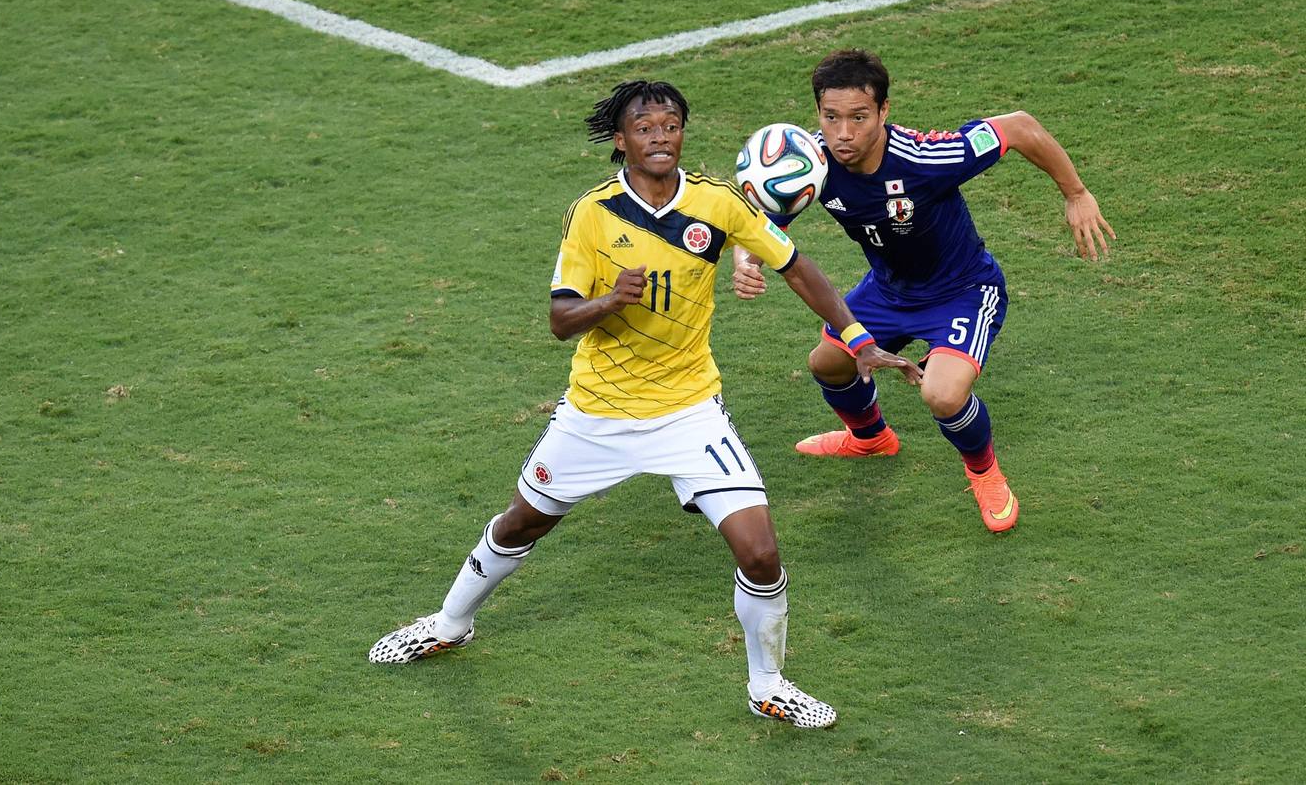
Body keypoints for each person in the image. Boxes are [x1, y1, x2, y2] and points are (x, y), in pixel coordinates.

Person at [370, 80, 920, 729]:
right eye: (646, 127)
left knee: (760, 553)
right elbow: (560, 320)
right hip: (597, 415)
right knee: (521, 524)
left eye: (671, 125)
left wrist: (857, 339)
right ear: (621, 140)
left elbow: (796, 266)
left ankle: (768, 685)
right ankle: (450, 623)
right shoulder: (593, 214)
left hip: (689, 413)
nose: (661, 137)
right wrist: (611, 301)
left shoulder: (716, 203)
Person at [733, 49, 1115, 533]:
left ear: (884, 111)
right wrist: (746, 260)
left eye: (858, 117)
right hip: (888, 292)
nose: (843, 133)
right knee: (827, 363)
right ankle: (871, 438)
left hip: (963, 291)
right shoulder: (811, 160)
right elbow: (758, 219)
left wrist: (1076, 193)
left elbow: (1019, 126)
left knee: (942, 394)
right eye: (831, 117)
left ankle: (984, 473)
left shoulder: (926, 159)